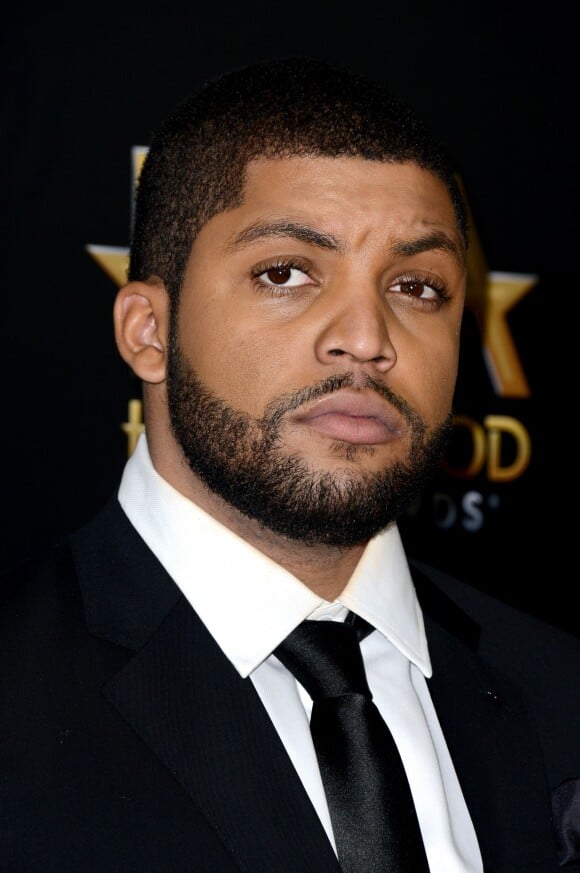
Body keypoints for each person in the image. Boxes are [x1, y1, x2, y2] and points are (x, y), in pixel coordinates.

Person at [1, 56, 578, 873]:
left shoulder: (558, 690)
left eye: (416, 286)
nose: (367, 337)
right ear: (148, 332)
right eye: (286, 273)